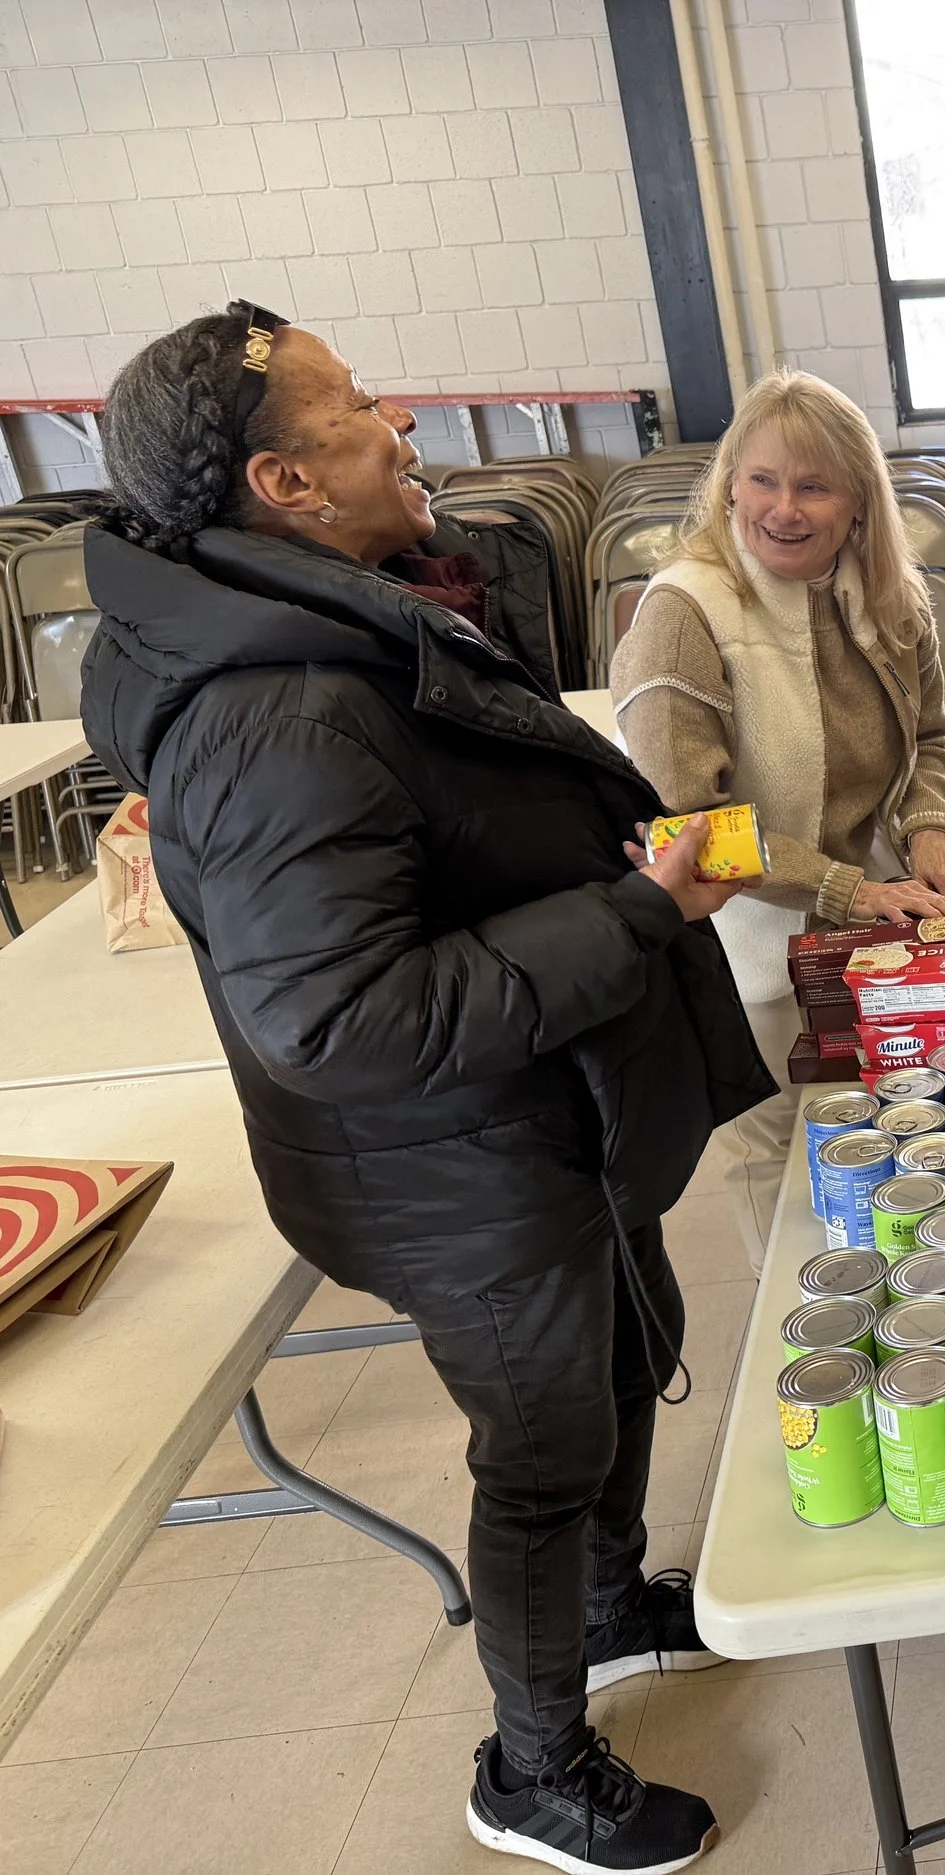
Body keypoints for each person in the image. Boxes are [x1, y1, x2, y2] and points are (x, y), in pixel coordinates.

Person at [80, 303, 775, 1875]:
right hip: (462, 1158)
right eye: (359, 410)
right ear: (285, 481)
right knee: (540, 1446)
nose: (402, 426)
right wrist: (639, 912)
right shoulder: (278, 710)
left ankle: (608, 1612)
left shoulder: (326, 616)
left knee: (610, 1375)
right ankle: (533, 1769)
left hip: (543, 1117)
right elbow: (338, 1017)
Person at [613, 369, 945, 1267]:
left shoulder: (892, 596)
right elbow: (687, 826)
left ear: (859, 502)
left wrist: (931, 829)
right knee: (781, 1160)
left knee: (894, 1129)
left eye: (815, 485)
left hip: (874, 925)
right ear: (728, 482)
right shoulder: (682, 613)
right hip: (746, 950)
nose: (784, 508)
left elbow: (932, 740)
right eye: (763, 479)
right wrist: (844, 887)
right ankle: (803, 1335)